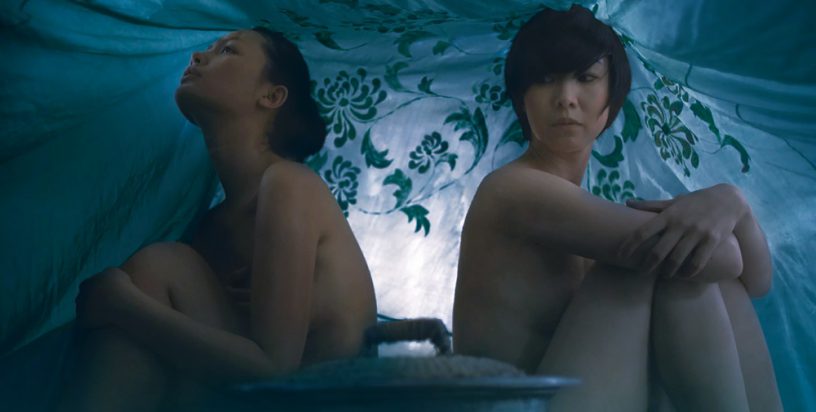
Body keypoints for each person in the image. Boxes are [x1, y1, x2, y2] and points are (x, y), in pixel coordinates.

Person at [452, 6, 782, 411]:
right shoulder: (514, 189)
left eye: (585, 78)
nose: (565, 99)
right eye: (545, 79)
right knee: (666, 264)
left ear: (612, 99)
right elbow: (726, 258)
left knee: (683, 265)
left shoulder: (582, 205)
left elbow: (756, 282)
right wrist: (724, 203)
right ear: (523, 99)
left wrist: (735, 204)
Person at [59, 28, 377, 412]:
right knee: (163, 268)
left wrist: (122, 304)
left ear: (271, 96)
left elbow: (273, 370)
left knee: (158, 268)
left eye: (227, 50)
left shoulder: (289, 184)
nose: (196, 57)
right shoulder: (213, 227)